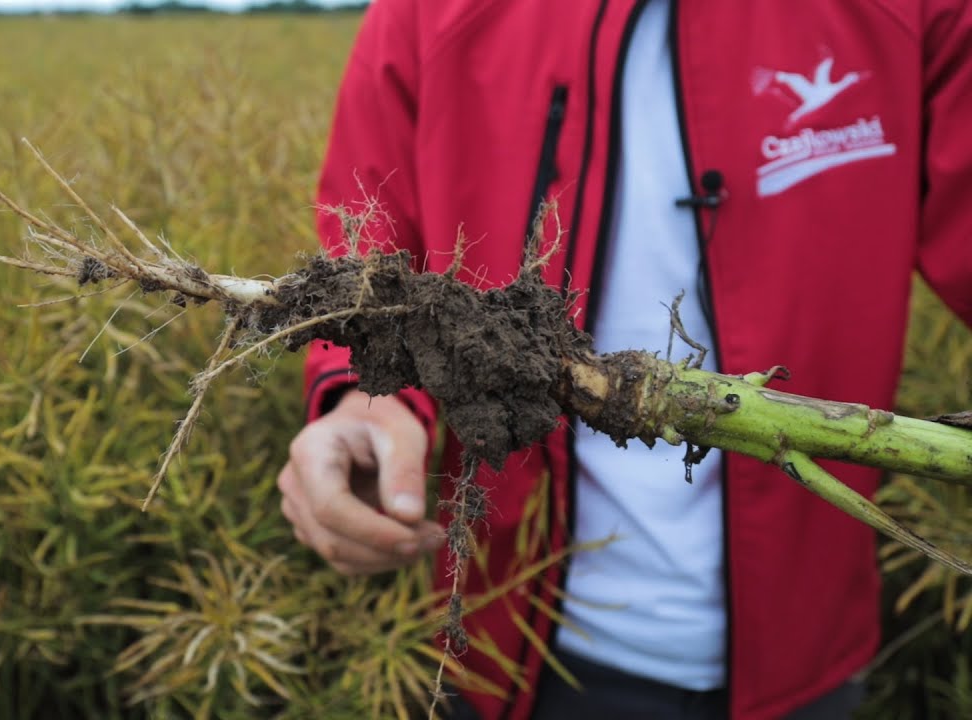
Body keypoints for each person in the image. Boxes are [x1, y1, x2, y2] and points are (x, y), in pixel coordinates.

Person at [276, 1, 972, 718]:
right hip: (510, 646)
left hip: (805, 646)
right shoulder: (428, 15)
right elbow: (365, 255)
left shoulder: (915, 14)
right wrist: (361, 399)